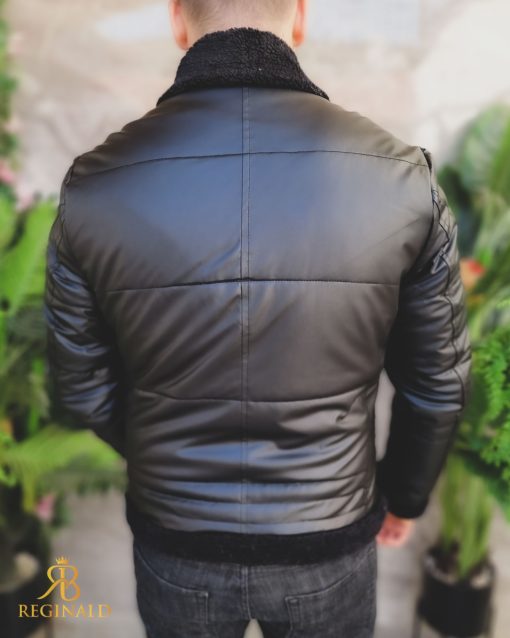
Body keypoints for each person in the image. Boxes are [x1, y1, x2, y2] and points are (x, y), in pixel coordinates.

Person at [43, 1, 472, 636]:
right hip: (327, 539)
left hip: (176, 540)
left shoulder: (95, 185)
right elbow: (436, 383)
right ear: (300, 16)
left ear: (177, 19)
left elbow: (81, 384)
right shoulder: (401, 179)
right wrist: (405, 495)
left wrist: (166, 454)